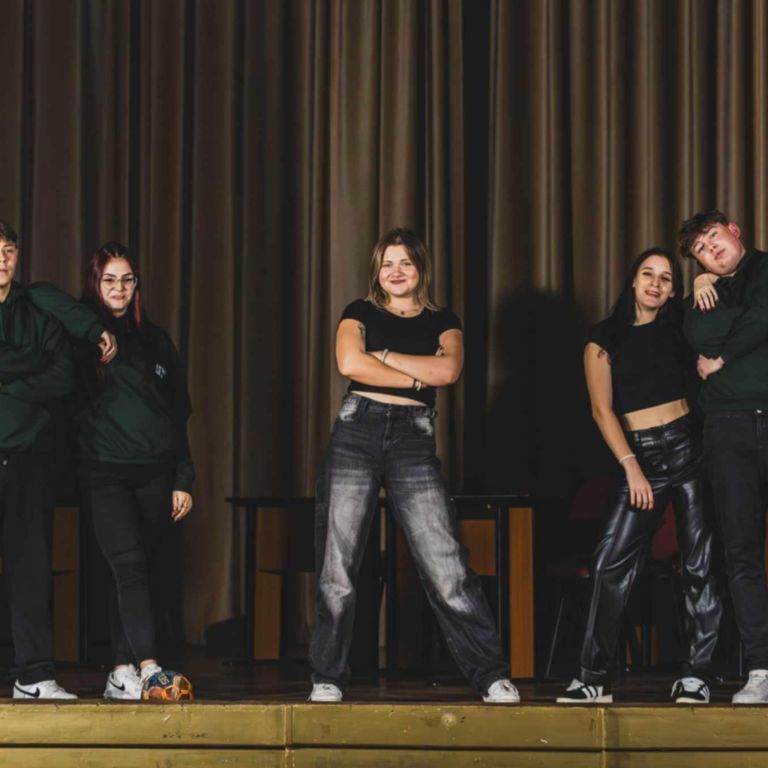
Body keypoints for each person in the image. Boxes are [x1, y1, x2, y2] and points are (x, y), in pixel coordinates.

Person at [308, 228, 518, 704]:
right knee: (338, 564)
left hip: (413, 438)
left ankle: (491, 675)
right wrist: (416, 374)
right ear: (376, 271)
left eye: (405, 262)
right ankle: (328, 676)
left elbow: (448, 371)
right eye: (387, 263)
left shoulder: (443, 320)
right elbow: (349, 363)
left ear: (421, 268)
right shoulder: (358, 312)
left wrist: (382, 357)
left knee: (446, 564)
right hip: (357, 430)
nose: (396, 271)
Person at [30, 241, 194, 700]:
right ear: (95, 284)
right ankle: (150, 668)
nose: (118, 288)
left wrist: (184, 477)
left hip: (156, 471)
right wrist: (94, 329)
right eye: (109, 280)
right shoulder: (79, 336)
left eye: (126, 280)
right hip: (104, 471)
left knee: (142, 571)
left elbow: (177, 415)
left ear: (136, 285)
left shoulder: (156, 340)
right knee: (128, 564)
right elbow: (38, 293)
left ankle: (122, 671)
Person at [557, 248, 721, 704]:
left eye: (666, 278)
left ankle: (697, 675)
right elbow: (601, 410)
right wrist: (631, 466)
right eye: (648, 274)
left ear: (673, 289)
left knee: (700, 562)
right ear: (632, 280)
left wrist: (705, 281)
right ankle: (593, 676)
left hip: (690, 447)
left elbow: (726, 301)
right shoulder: (604, 337)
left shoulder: (681, 325)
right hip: (639, 456)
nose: (655, 284)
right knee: (609, 560)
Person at [681, 210, 768, 704]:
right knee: (741, 552)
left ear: (734, 230)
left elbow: (762, 317)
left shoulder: (765, 269)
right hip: (727, 429)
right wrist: (706, 287)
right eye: (699, 249)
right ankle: (761, 669)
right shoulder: (704, 291)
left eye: (712, 237)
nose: (710, 249)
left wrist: (724, 357)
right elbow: (701, 338)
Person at [0, 220, 81, 698]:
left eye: (9, 249)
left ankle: (33, 676)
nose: (2, 258)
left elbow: (64, 375)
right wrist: (27, 361)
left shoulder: (38, 312)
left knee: (30, 568)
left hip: (28, 458)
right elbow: (42, 367)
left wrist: (9, 381)